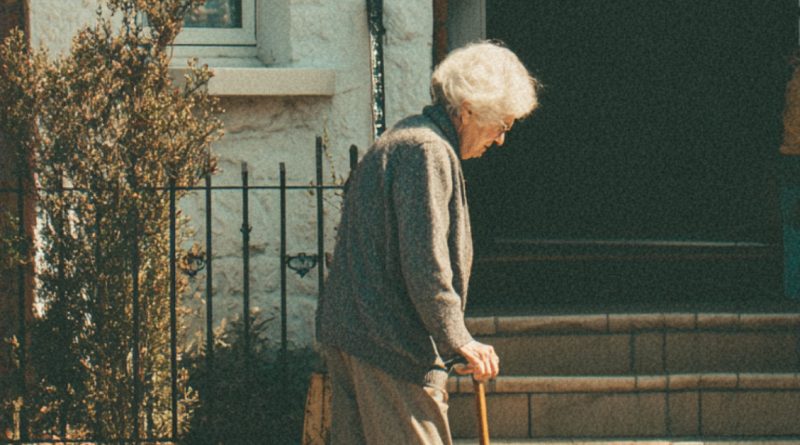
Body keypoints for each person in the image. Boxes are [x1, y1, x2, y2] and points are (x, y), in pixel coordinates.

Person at [316, 41, 539, 445]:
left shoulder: (409, 139)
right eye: (501, 125)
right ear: (469, 109)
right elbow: (425, 262)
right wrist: (459, 340)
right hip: (388, 347)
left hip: (357, 335)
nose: (501, 139)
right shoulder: (427, 151)